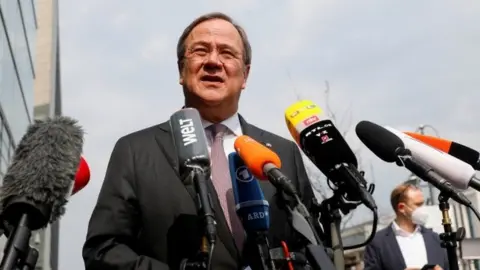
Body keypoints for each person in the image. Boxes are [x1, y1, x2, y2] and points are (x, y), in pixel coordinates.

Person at [82, 12, 314, 270]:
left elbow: (314, 249)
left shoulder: (283, 154)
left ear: (245, 75)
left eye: (227, 53)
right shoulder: (135, 151)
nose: (213, 61)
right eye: (201, 51)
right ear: (182, 70)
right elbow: (103, 250)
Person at [363, 182, 449, 270]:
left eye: (423, 204)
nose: (424, 208)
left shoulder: (435, 239)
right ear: (401, 208)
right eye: (418, 204)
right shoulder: (377, 243)